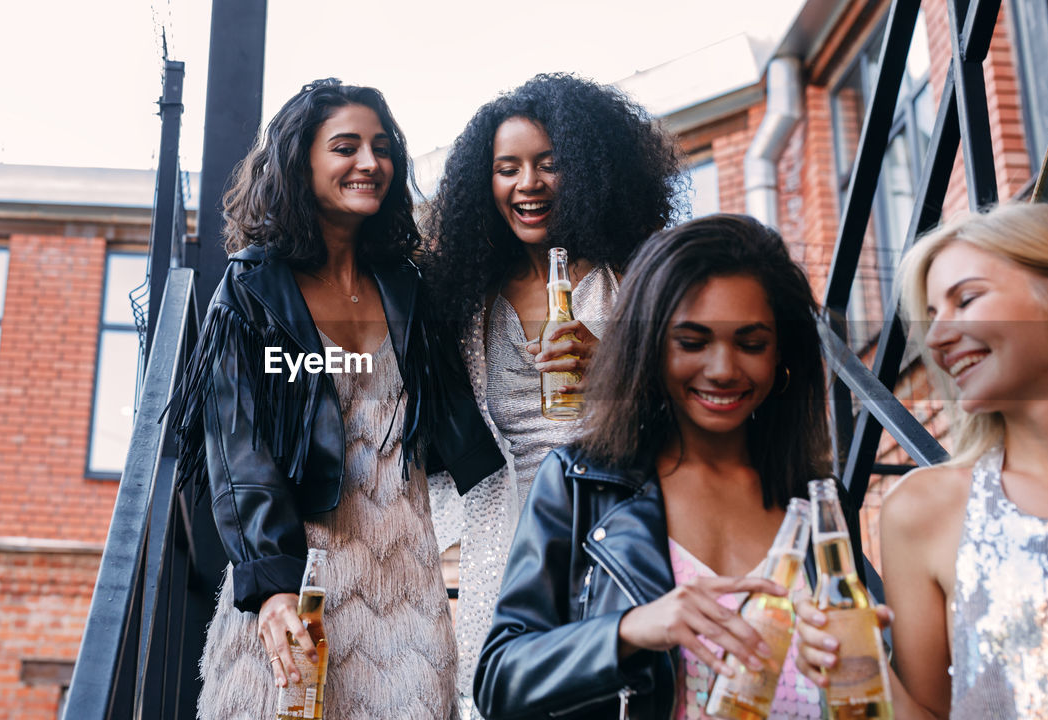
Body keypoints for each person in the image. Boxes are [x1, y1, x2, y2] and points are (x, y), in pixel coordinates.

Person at [170, 78, 504, 720]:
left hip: (407, 582)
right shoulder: (253, 291)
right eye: (345, 147)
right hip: (301, 577)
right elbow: (238, 449)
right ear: (302, 162)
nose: (369, 163)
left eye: (381, 148)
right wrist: (270, 586)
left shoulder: (410, 288)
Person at [474, 214, 833, 719]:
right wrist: (632, 629)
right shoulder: (580, 484)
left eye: (751, 344)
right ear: (649, 348)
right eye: (692, 342)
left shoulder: (818, 502)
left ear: (782, 358)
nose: (723, 368)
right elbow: (499, 681)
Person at [421, 73, 684, 715]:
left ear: (592, 171)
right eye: (506, 168)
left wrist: (619, 370)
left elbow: (702, 403)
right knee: (509, 694)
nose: (527, 184)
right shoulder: (464, 299)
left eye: (548, 164)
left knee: (615, 690)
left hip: (617, 520)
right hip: (506, 540)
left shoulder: (638, 276)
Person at [794, 201, 1048, 719]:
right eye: (932, 317)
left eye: (966, 299)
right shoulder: (925, 509)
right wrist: (862, 666)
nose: (939, 339)